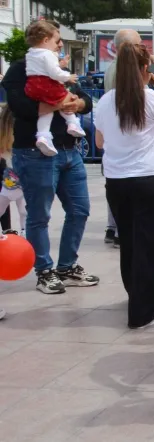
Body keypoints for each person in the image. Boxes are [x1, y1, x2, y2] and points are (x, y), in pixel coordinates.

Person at [95, 43, 154, 329]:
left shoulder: (106, 100)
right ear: (146, 69)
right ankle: (143, 311)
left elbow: (99, 142)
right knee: (149, 244)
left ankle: (136, 296)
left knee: (130, 242)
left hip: (117, 181)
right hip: (148, 178)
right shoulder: (149, 98)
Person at [2, 46, 96, 295]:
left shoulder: (57, 67)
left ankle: (67, 267)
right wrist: (57, 103)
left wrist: (77, 103)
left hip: (69, 150)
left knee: (80, 209)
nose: (59, 47)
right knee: (39, 215)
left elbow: (84, 100)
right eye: (56, 41)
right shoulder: (21, 69)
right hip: (35, 152)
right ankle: (44, 271)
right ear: (42, 41)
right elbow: (21, 107)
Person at [23, 21, 86, 155]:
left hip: (33, 86)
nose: (60, 44)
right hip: (47, 84)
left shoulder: (30, 54)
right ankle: (72, 122)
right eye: (57, 41)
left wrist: (59, 64)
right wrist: (67, 76)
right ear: (46, 40)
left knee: (47, 111)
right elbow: (54, 73)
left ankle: (43, 135)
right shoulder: (47, 54)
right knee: (67, 96)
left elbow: (41, 67)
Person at [103, 28, 141, 245]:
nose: (142, 48)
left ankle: (113, 227)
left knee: (115, 183)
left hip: (116, 136)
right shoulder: (127, 70)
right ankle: (120, 231)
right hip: (128, 136)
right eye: (138, 45)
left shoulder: (111, 68)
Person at [0, 110, 28, 235]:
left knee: (23, 209)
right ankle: (23, 232)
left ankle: (25, 232)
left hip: (22, 177)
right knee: (6, 205)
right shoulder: (5, 139)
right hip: (11, 179)